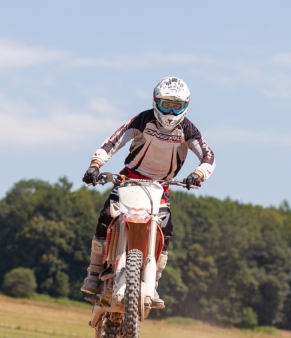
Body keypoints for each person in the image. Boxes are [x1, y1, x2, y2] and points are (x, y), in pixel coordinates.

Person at [80, 77, 215, 309]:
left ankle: (153, 284)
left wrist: (199, 174)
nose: (171, 111)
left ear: (186, 106)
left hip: (161, 185)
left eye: (177, 106)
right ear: (156, 102)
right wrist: (95, 164)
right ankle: (93, 272)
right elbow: (114, 141)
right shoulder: (143, 120)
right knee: (105, 216)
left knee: (167, 229)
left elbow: (208, 156)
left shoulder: (188, 130)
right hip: (129, 178)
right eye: (166, 104)